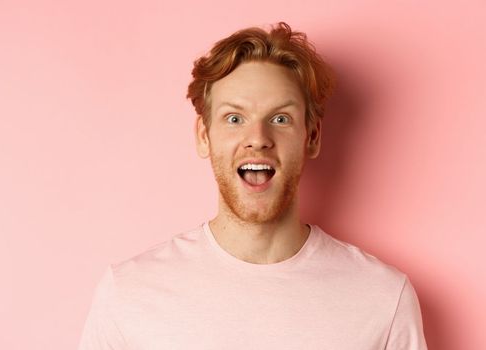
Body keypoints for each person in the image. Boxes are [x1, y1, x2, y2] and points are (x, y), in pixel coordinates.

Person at [77, 22, 428, 349]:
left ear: (312, 136)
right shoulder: (129, 293)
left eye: (280, 118)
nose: (258, 139)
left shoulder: (382, 298)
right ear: (204, 136)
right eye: (234, 118)